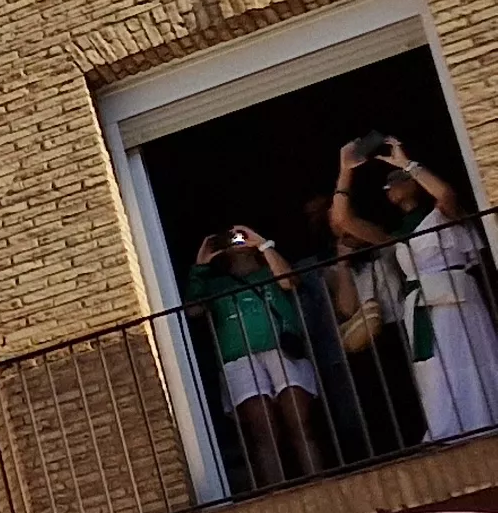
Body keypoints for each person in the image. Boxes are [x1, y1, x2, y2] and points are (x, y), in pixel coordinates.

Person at [335, 137, 498, 442]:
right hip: (422, 305)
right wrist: (345, 170)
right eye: (387, 185)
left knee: (471, 358)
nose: (392, 185)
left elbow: (445, 193)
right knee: (436, 370)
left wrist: (406, 164)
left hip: (457, 296)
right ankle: (451, 432)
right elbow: (342, 220)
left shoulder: (443, 213)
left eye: (397, 179)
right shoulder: (394, 234)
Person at [192, 224, 331, 482]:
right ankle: (278, 493)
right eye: (231, 240)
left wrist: (263, 244)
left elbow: (289, 281)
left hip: (283, 352)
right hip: (239, 358)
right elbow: (194, 311)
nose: (237, 243)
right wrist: (201, 266)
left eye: (241, 237)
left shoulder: (271, 270)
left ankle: (317, 483)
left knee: (301, 424)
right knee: (263, 433)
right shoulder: (215, 284)